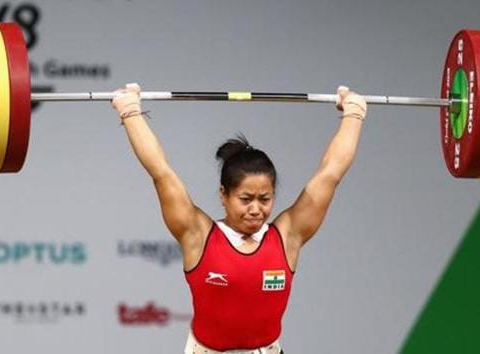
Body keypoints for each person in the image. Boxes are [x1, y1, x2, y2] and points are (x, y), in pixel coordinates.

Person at [111, 83, 366, 354]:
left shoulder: (288, 235)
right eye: (246, 199)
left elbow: (331, 173)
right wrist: (130, 111)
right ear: (224, 194)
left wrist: (354, 113)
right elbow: (160, 171)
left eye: (265, 199)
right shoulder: (197, 234)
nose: (256, 209)